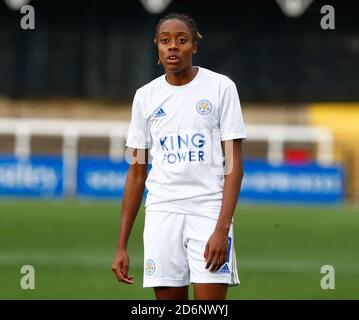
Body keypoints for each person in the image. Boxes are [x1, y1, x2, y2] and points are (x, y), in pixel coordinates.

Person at [112, 13, 246, 300]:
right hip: (163, 214)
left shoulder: (221, 87)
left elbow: (234, 166)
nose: (173, 46)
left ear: (194, 47)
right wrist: (121, 245)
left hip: (208, 212)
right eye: (165, 41)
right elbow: (137, 173)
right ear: (158, 49)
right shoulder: (145, 97)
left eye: (181, 40)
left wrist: (222, 228)